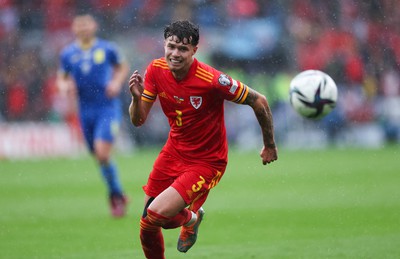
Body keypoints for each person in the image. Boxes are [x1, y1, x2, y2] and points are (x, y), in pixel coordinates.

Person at [128, 20, 278, 258]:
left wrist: (269, 144)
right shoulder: (155, 70)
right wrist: (136, 100)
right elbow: (138, 120)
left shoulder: (212, 80)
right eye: (171, 46)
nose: (175, 54)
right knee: (147, 225)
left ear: (194, 51)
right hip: (173, 151)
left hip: (207, 162)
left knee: (156, 215)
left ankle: (191, 218)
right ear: (165, 45)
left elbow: (259, 101)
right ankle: (191, 218)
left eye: (183, 49)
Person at [57, 13, 130, 218]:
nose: (83, 28)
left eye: (86, 24)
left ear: (94, 26)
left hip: (107, 108)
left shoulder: (107, 49)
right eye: (79, 25)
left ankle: (115, 196)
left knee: (102, 153)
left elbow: (122, 66)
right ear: (74, 28)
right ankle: (118, 192)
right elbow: (61, 78)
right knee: (99, 156)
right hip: (85, 110)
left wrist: (116, 82)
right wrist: (65, 86)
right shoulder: (68, 53)